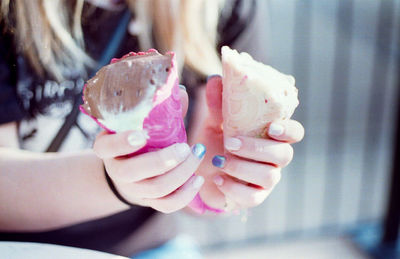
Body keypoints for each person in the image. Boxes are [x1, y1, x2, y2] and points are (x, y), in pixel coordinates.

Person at [0, 0, 304, 257]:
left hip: (147, 246)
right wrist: (113, 181)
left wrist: (218, 181)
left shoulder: (217, 6)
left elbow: (205, 187)